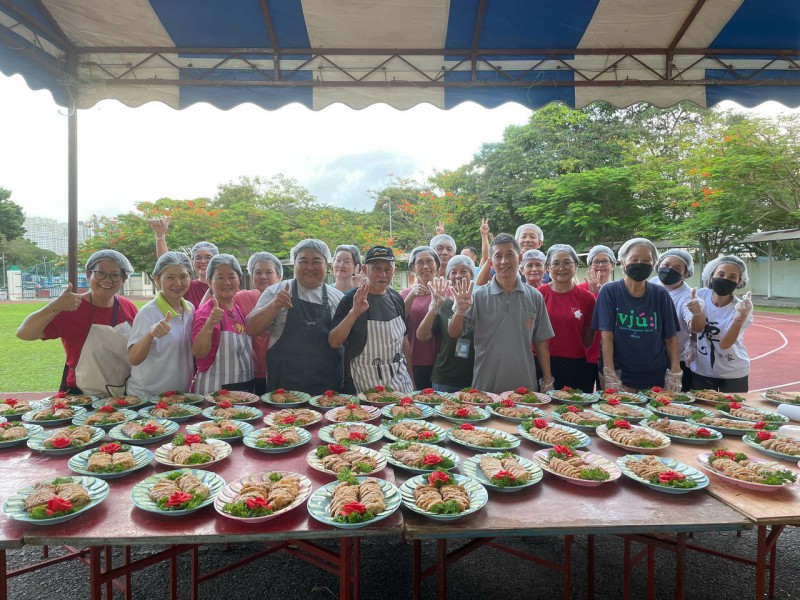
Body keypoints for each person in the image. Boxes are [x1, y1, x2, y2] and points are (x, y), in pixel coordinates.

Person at [17, 249, 137, 396]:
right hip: (81, 396)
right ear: (88, 275)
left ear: (123, 279)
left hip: (124, 396)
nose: (107, 279)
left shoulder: (128, 308)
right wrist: (54, 307)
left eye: (115, 275)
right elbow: (24, 333)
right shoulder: (71, 307)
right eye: (100, 273)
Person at [449, 233, 554, 393]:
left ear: (519, 258)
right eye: (498, 256)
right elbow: (454, 332)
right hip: (485, 386)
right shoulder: (477, 296)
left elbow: (541, 342)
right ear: (491, 262)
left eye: (510, 254)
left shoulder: (534, 296)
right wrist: (460, 311)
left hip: (524, 386)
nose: (504, 261)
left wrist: (547, 380)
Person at [246, 239, 344, 395]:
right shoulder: (275, 291)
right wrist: (274, 305)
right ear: (294, 264)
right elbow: (251, 328)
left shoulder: (338, 297)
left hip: (327, 390)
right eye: (303, 261)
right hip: (283, 388)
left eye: (316, 262)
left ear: (327, 265)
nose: (310, 267)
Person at [591, 238, 682, 392]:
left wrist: (675, 371)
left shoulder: (660, 294)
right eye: (634, 259)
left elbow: (671, 337)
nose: (640, 264)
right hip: (620, 374)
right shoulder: (610, 291)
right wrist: (610, 373)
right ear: (623, 262)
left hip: (656, 375)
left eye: (646, 260)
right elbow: (606, 336)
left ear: (653, 264)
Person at [329, 246, 415, 393]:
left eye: (388, 269)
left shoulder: (396, 299)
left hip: (400, 384)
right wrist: (354, 313)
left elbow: (404, 341)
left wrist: (412, 380)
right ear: (364, 269)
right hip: (364, 384)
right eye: (376, 269)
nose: (383, 274)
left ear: (394, 270)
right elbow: (334, 341)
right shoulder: (351, 299)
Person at [127, 252, 194, 395]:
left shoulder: (190, 309)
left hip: (179, 396)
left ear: (190, 278)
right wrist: (150, 334)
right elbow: (133, 358)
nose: (178, 283)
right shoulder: (148, 313)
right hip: (148, 397)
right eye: (170, 277)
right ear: (157, 279)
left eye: (183, 276)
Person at [683, 256, 753, 392]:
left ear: (739, 281)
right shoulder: (700, 295)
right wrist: (693, 342)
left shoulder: (742, 308)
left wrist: (739, 319)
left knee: (732, 405)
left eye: (732, 277)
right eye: (721, 274)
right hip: (701, 370)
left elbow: (725, 344)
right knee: (703, 405)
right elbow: (697, 328)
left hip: (733, 373)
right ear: (711, 276)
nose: (725, 279)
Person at [538, 244, 597, 392]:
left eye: (567, 262)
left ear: (576, 265)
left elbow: (588, 338)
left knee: (575, 404)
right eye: (555, 263)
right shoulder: (538, 295)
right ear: (547, 268)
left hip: (576, 364)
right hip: (542, 363)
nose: (561, 268)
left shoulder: (587, 298)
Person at [192, 254, 253, 394]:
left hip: (245, 390)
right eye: (220, 277)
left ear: (239, 280)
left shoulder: (238, 309)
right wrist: (209, 324)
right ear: (209, 282)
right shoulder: (205, 313)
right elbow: (199, 353)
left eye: (232, 277)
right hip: (214, 393)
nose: (227, 282)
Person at [416, 255, 476, 393]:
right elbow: (422, 336)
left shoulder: (481, 301)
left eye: (463, 271)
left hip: (475, 376)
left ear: (472, 275)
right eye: (453, 272)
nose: (458, 275)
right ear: (448, 277)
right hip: (445, 378)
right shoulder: (443, 303)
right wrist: (434, 307)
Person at [234, 252, 283, 396]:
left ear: (279, 276)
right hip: (250, 371)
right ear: (251, 277)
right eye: (258, 272)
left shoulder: (287, 297)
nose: (263, 276)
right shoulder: (241, 298)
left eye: (269, 272)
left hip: (281, 371)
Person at [148, 216, 218, 309]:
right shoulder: (186, 286)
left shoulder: (224, 286)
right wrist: (160, 236)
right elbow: (167, 264)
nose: (203, 261)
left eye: (208, 257)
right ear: (192, 262)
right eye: (198, 258)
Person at [650, 249, 695, 391]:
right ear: (658, 265)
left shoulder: (688, 297)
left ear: (686, 273)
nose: (669, 270)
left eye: (677, 268)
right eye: (666, 265)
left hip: (675, 361)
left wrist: (697, 314)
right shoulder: (653, 283)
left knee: (673, 400)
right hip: (651, 358)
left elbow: (694, 325)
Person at [400, 246, 441, 390]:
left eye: (429, 261)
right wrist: (412, 294)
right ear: (413, 267)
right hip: (414, 361)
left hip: (441, 362)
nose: (425, 267)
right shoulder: (405, 294)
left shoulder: (447, 291)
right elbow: (398, 320)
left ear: (437, 265)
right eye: (420, 262)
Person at [578, 245, 617, 388]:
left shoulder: (618, 290)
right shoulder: (580, 290)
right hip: (585, 354)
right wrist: (593, 294)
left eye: (605, 261)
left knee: (608, 395)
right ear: (590, 266)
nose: (600, 265)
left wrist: (600, 294)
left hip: (610, 354)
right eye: (596, 262)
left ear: (613, 265)